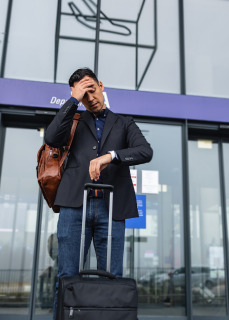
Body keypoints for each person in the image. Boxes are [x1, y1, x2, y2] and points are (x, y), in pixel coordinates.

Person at [44, 68, 153, 318]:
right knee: (66, 277)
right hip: (74, 207)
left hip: (112, 208)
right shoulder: (73, 121)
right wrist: (73, 100)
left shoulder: (124, 122)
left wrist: (111, 156)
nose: (90, 96)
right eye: (84, 94)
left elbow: (145, 151)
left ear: (101, 85)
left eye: (92, 88)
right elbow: (51, 138)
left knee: (112, 279)